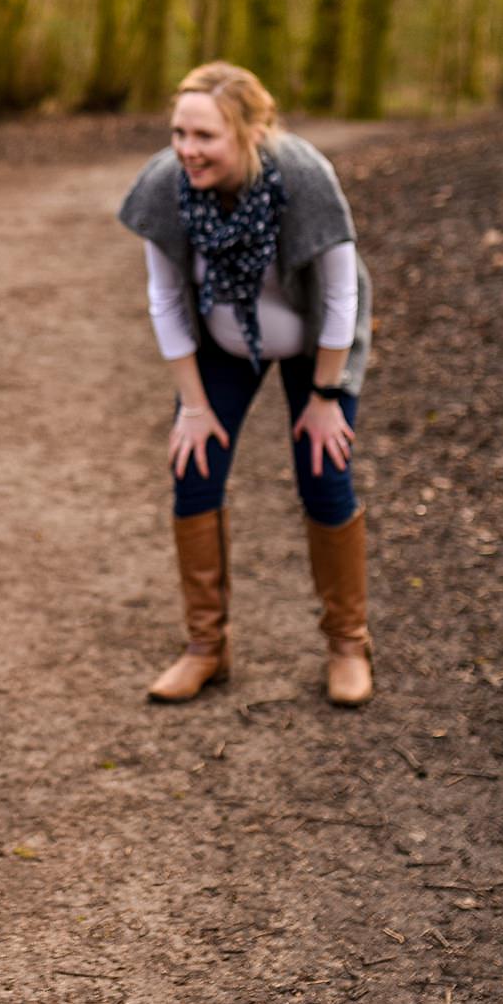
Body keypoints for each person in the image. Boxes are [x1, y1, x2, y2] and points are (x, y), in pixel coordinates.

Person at [117, 61, 376, 707]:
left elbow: (344, 294)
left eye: (205, 135)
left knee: (324, 471)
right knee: (193, 468)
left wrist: (324, 396)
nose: (187, 149)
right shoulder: (167, 186)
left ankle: (348, 643)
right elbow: (165, 297)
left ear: (252, 131)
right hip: (224, 342)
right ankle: (207, 647)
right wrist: (194, 406)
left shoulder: (303, 177)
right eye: (179, 132)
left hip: (317, 344)